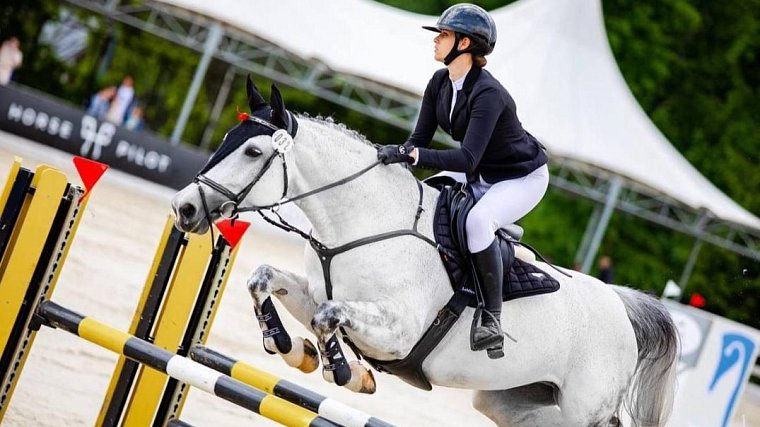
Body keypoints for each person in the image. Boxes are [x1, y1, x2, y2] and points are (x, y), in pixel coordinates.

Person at [377, 4, 549, 358]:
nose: (436, 41)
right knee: (428, 194)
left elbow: (467, 157)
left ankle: (491, 318)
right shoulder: (440, 83)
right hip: (481, 171)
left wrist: (415, 157)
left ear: (465, 43)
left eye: (443, 35)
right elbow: (419, 140)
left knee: (478, 220)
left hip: (520, 177)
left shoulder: (489, 94)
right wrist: (396, 154)